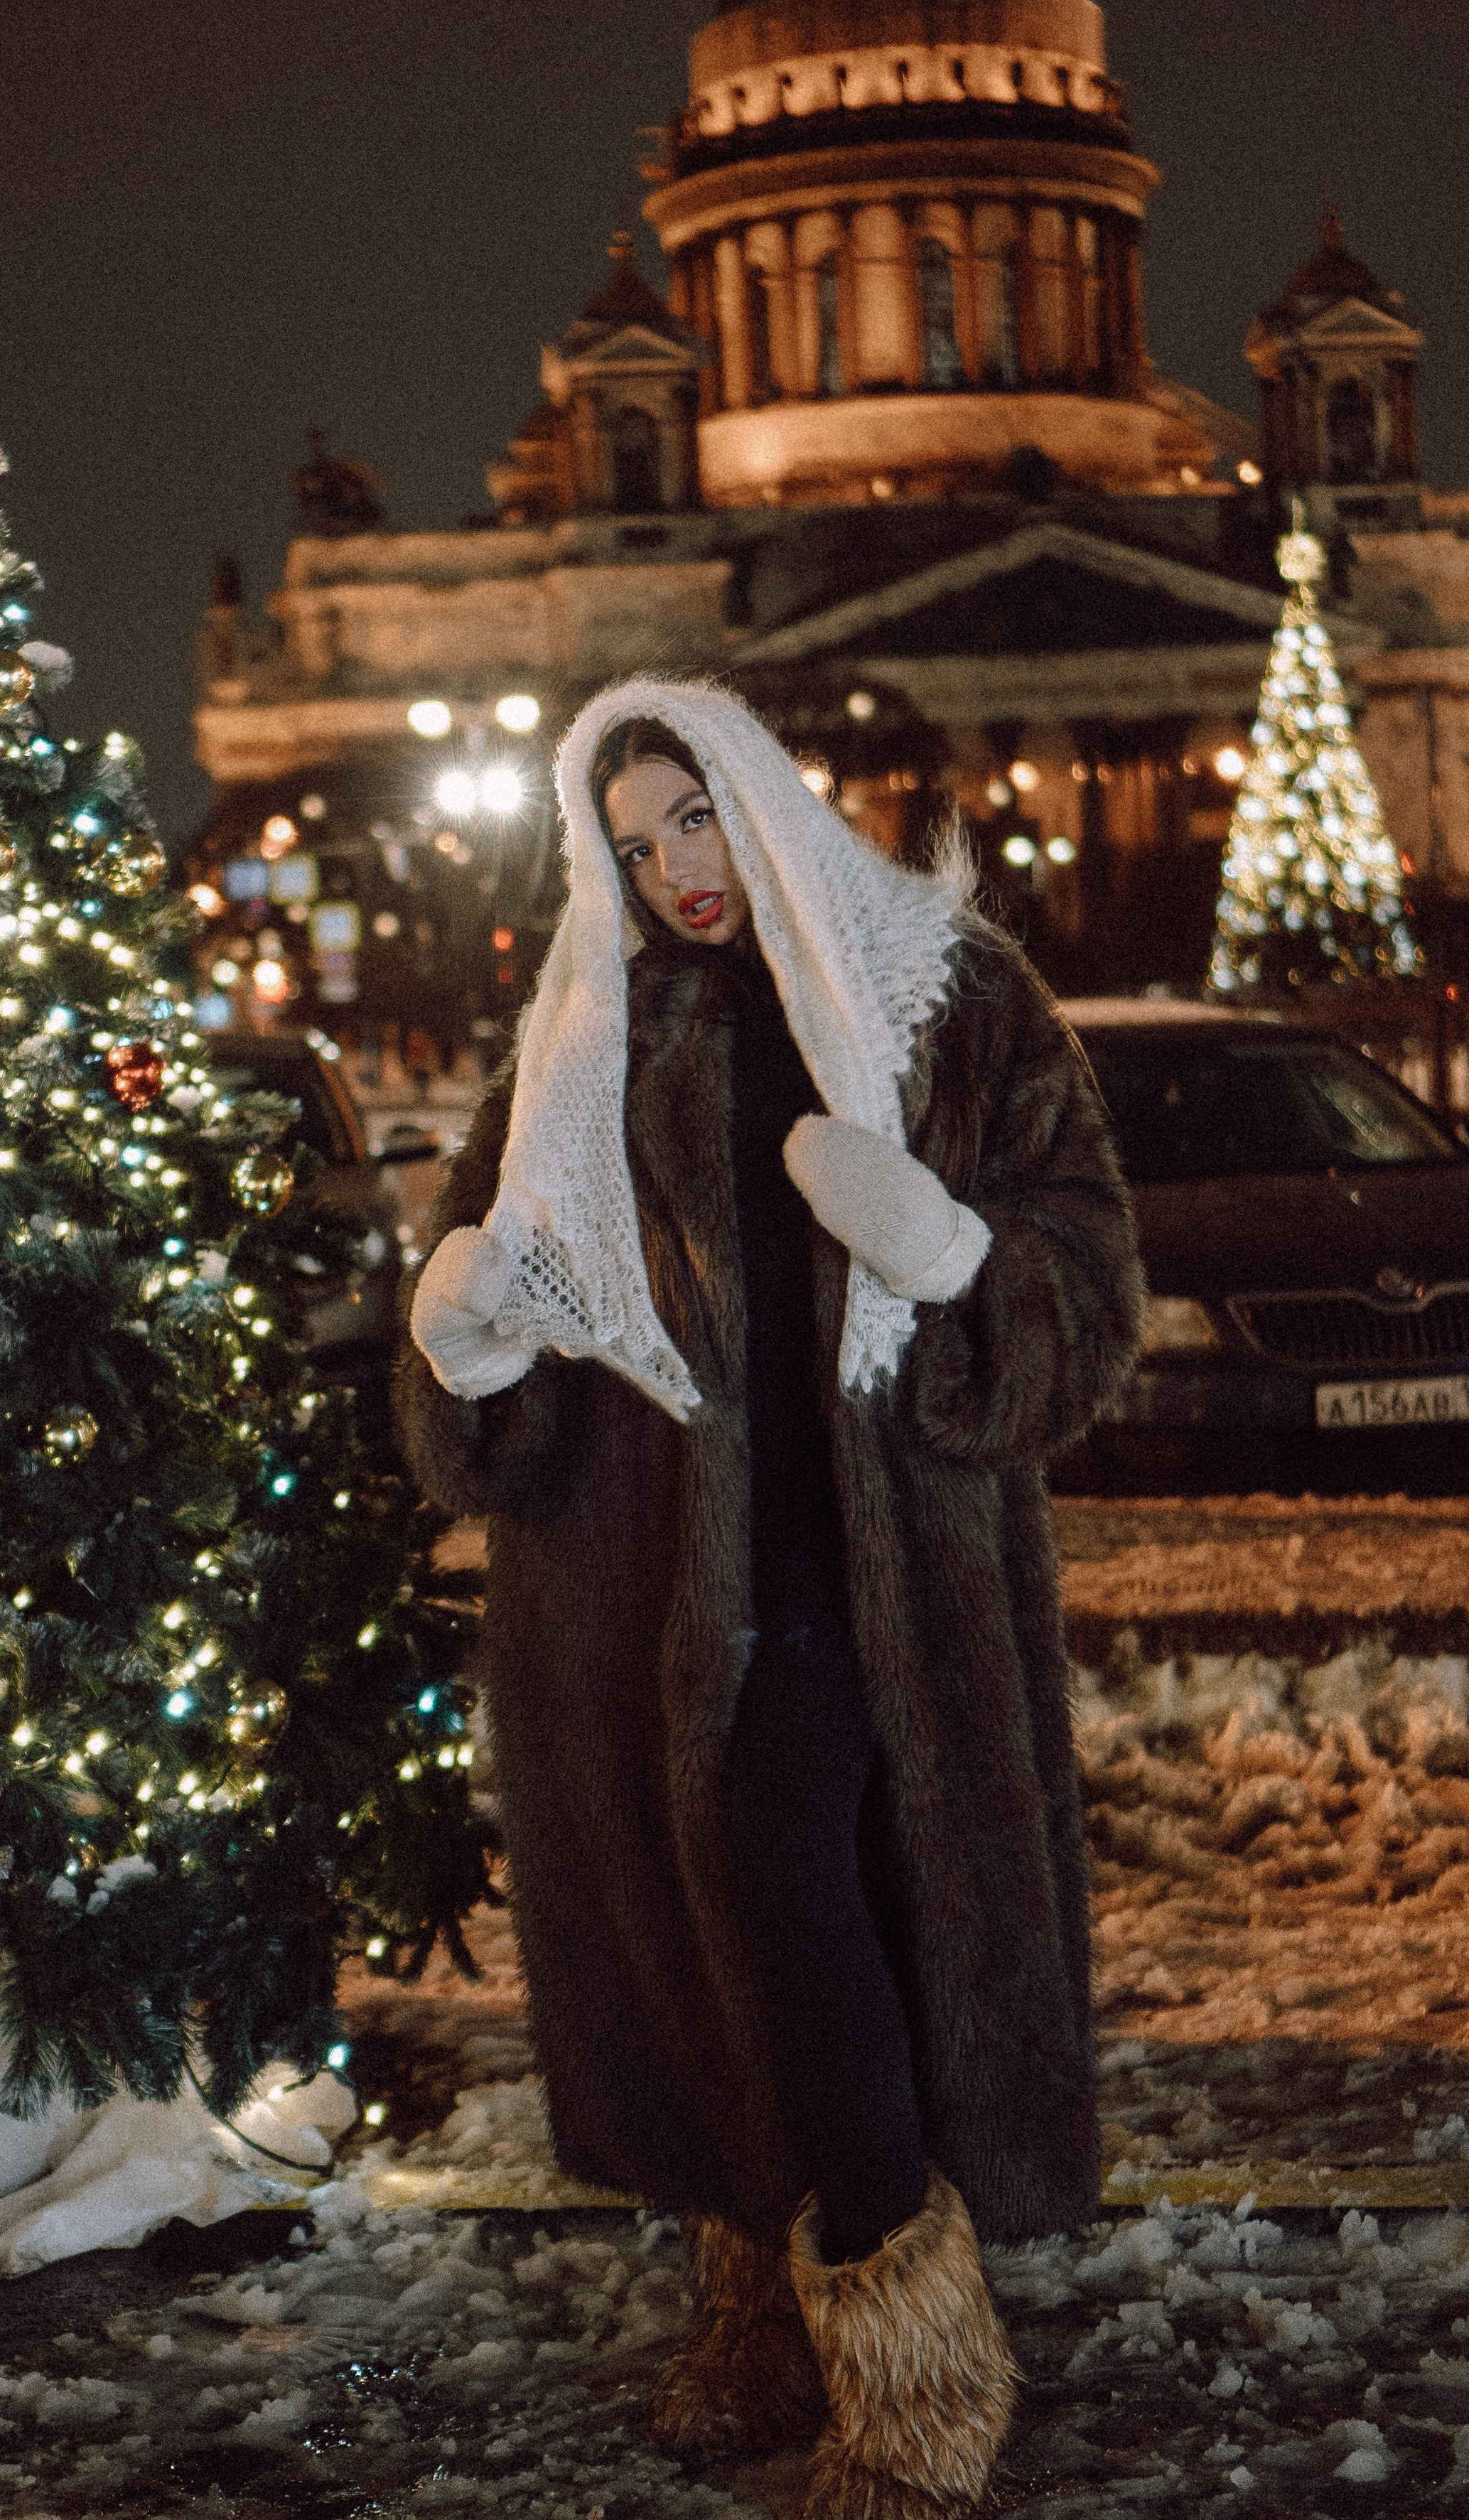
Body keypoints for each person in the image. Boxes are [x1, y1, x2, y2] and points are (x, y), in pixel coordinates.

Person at [395, 682, 1141, 2516]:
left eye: (696, 820)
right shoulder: (577, 1034)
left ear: (761, 800)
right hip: (653, 1594)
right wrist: (468, 1354)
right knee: (727, 1913)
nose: (674, 872)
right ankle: (769, 2294)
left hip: (899, 1577)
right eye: (635, 845)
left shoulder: (950, 998)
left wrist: (964, 1255)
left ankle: (910, 2360)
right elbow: (513, 1340)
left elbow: (1088, 1287)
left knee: (821, 1904)